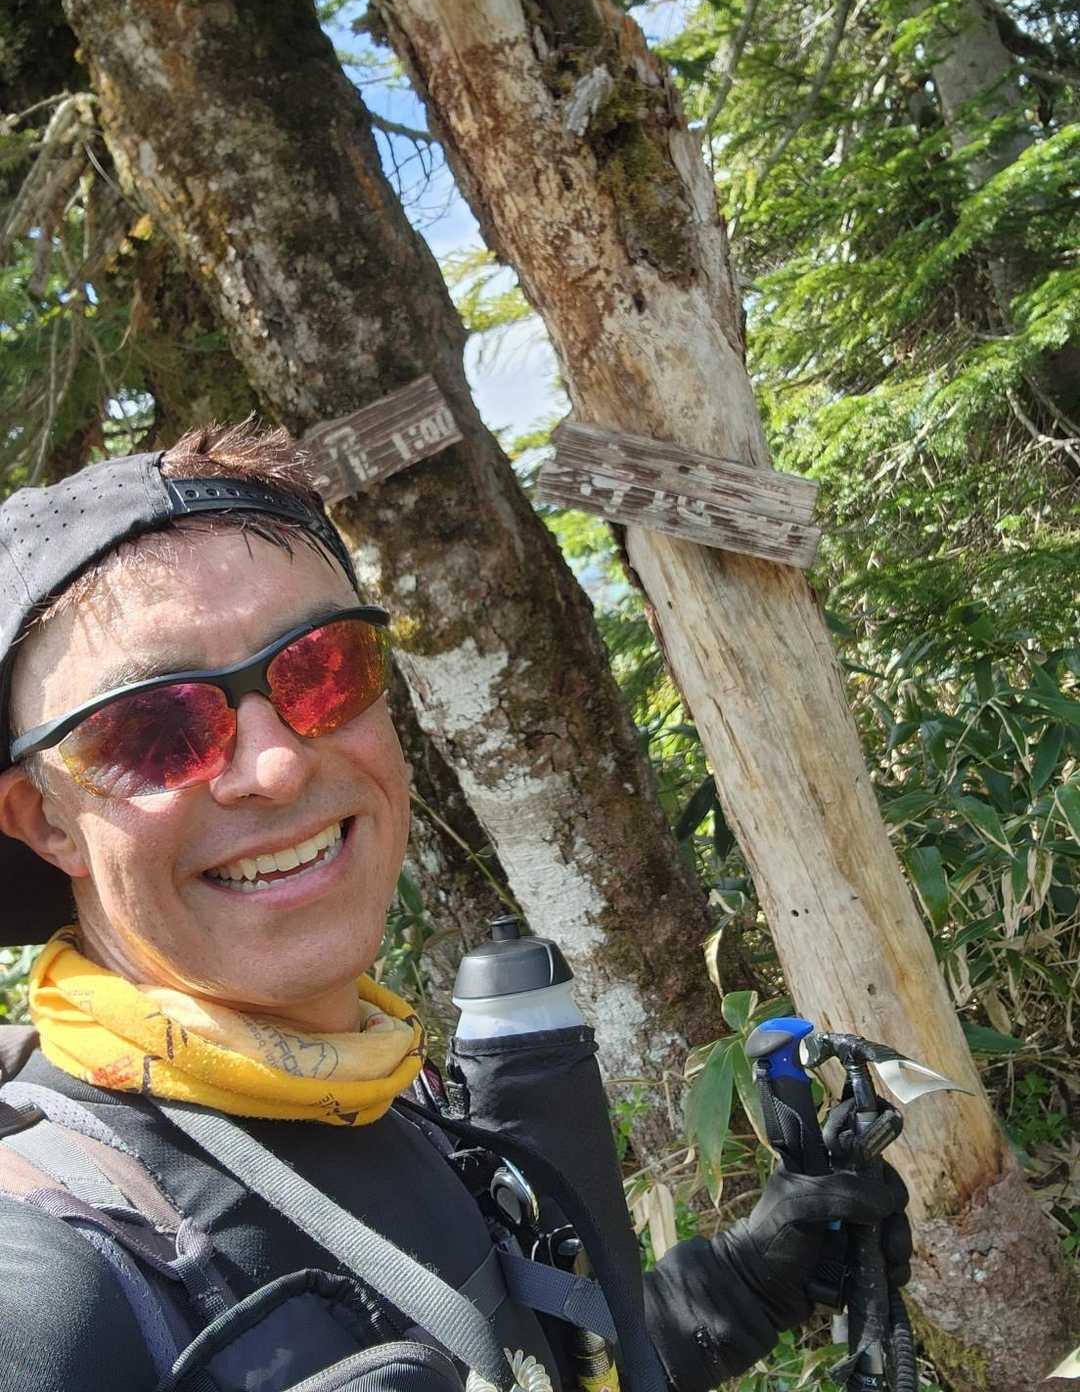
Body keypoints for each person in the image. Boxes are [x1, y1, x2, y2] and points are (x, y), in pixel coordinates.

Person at [0, 427, 910, 1392]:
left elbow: (530, 1359)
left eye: (321, 669)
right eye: (153, 728)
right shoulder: (59, 1271)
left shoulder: (388, 1089)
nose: (276, 764)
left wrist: (745, 1285)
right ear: (43, 819)